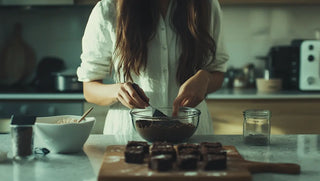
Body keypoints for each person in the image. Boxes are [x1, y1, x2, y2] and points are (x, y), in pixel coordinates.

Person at [77, 0, 229, 140]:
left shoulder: (206, 6)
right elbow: (89, 89)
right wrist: (117, 91)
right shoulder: (107, 9)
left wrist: (206, 79)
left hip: (192, 136)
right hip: (128, 137)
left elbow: (218, 73)